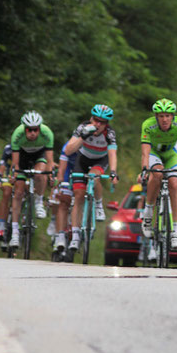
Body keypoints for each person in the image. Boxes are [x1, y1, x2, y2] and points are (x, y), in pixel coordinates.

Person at [64, 104, 119, 251]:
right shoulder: (83, 128)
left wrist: (113, 171)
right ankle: (75, 236)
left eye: (102, 122)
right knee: (78, 196)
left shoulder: (109, 133)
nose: (98, 124)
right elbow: (69, 150)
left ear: (106, 124)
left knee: (94, 176)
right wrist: (83, 136)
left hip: (100, 160)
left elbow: (112, 154)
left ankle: (99, 204)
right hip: (83, 158)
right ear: (91, 119)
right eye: (95, 120)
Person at [138, 98, 177, 251]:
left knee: (174, 184)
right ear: (156, 117)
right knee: (157, 173)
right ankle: (148, 212)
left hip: (171, 155)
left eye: (167, 115)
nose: (164, 119)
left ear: (173, 116)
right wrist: (145, 170)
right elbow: (145, 152)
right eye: (161, 116)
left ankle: (175, 232)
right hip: (154, 153)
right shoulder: (148, 125)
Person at [9, 111, 54, 247]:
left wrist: (51, 174)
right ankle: (15, 233)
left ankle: (39, 201)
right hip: (22, 156)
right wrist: (14, 175)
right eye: (29, 130)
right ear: (24, 128)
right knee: (18, 193)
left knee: (41, 173)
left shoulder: (47, 133)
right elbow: (15, 163)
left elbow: (50, 160)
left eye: (36, 129)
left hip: (39, 154)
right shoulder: (17, 135)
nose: (33, 133)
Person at [53, 142, 78, 251]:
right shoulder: (67, 147)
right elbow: (62, 170)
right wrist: (59, 185)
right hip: (69, 171)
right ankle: (60, 236)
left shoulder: (91, 145)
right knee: (63, 202)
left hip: (84, 170)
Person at [0, 143, 12, 243]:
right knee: (6, 193)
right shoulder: (8, 149)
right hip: (10, 173)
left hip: (23, 172)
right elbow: (2, 167)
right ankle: (1, 227)